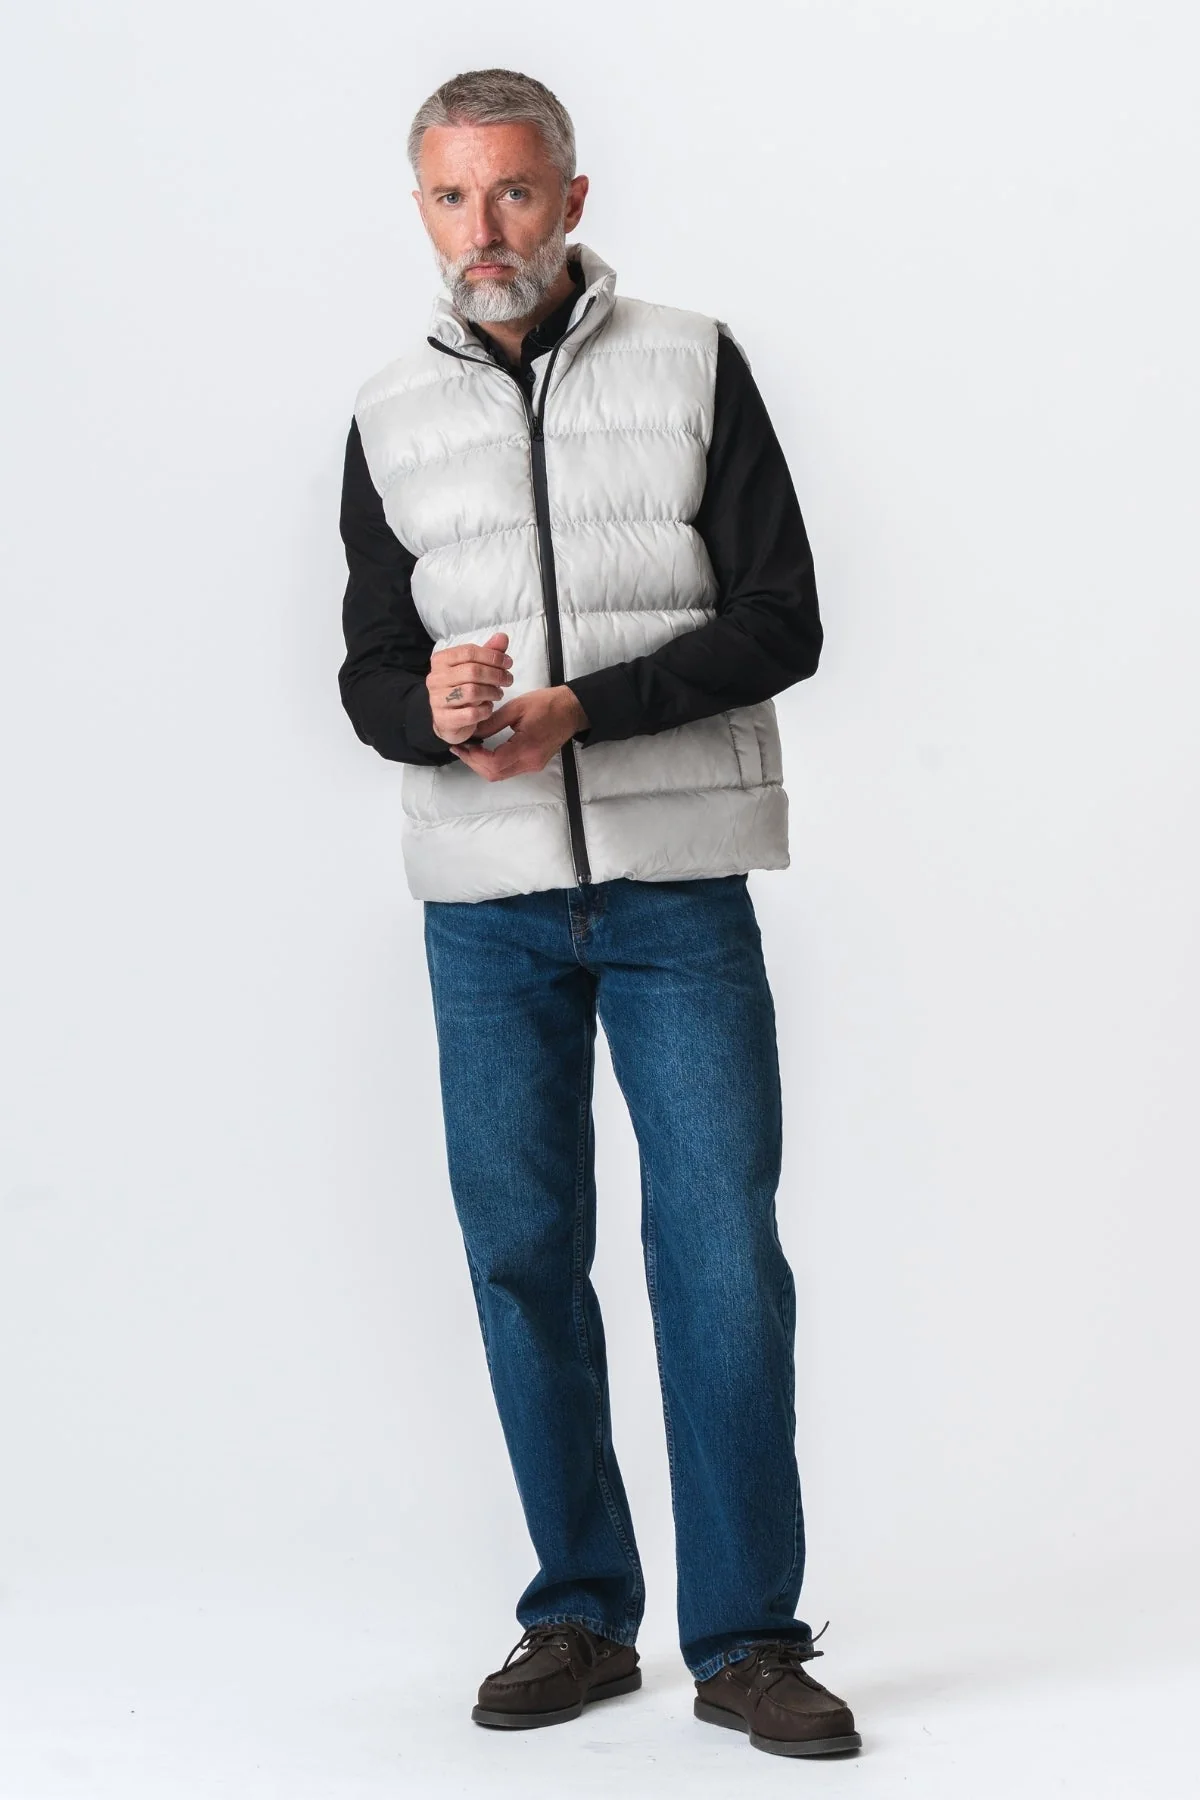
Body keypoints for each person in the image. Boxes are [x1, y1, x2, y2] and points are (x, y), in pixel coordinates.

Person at [337, 66, 862, 1760]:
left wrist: (589, 711)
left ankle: (749, 1640)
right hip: (483, 910)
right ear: (421, 207)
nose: (481, 229)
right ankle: (577, 1613)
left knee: (719, 1253)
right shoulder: (385, 416)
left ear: (570, 197)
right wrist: (434, 710)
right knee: (519, 1257)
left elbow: (783, 618)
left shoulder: (694, 361)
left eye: (510, 191)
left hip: (675, 887)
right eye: (449, 196)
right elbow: (364, 672)